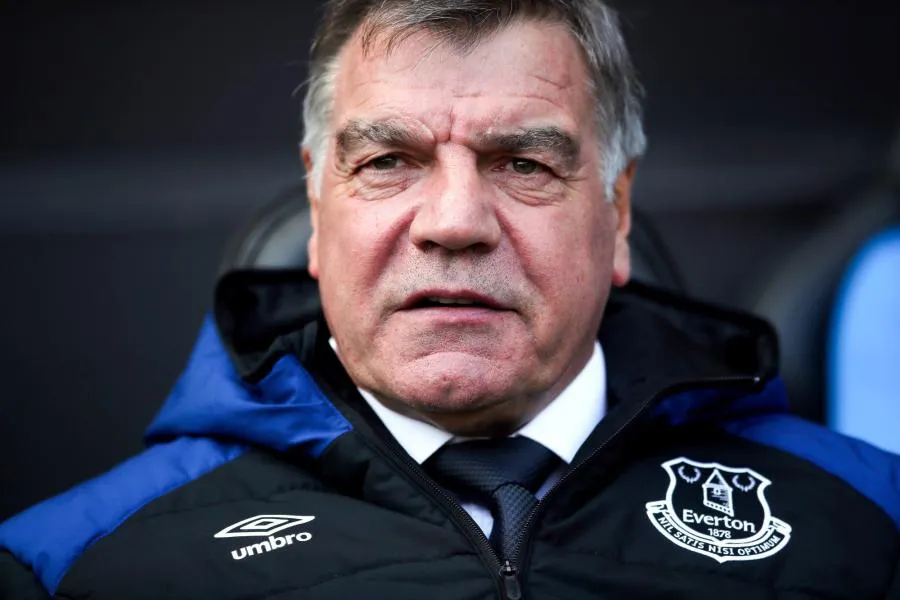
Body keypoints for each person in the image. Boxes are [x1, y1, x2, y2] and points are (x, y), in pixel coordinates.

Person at [2, 1, 898, 598]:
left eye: (524, 163)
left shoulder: (875, 524)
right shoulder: (68, 567)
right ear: (319, 208)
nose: (456, 222)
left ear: (617, 212)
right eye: (388, 161)